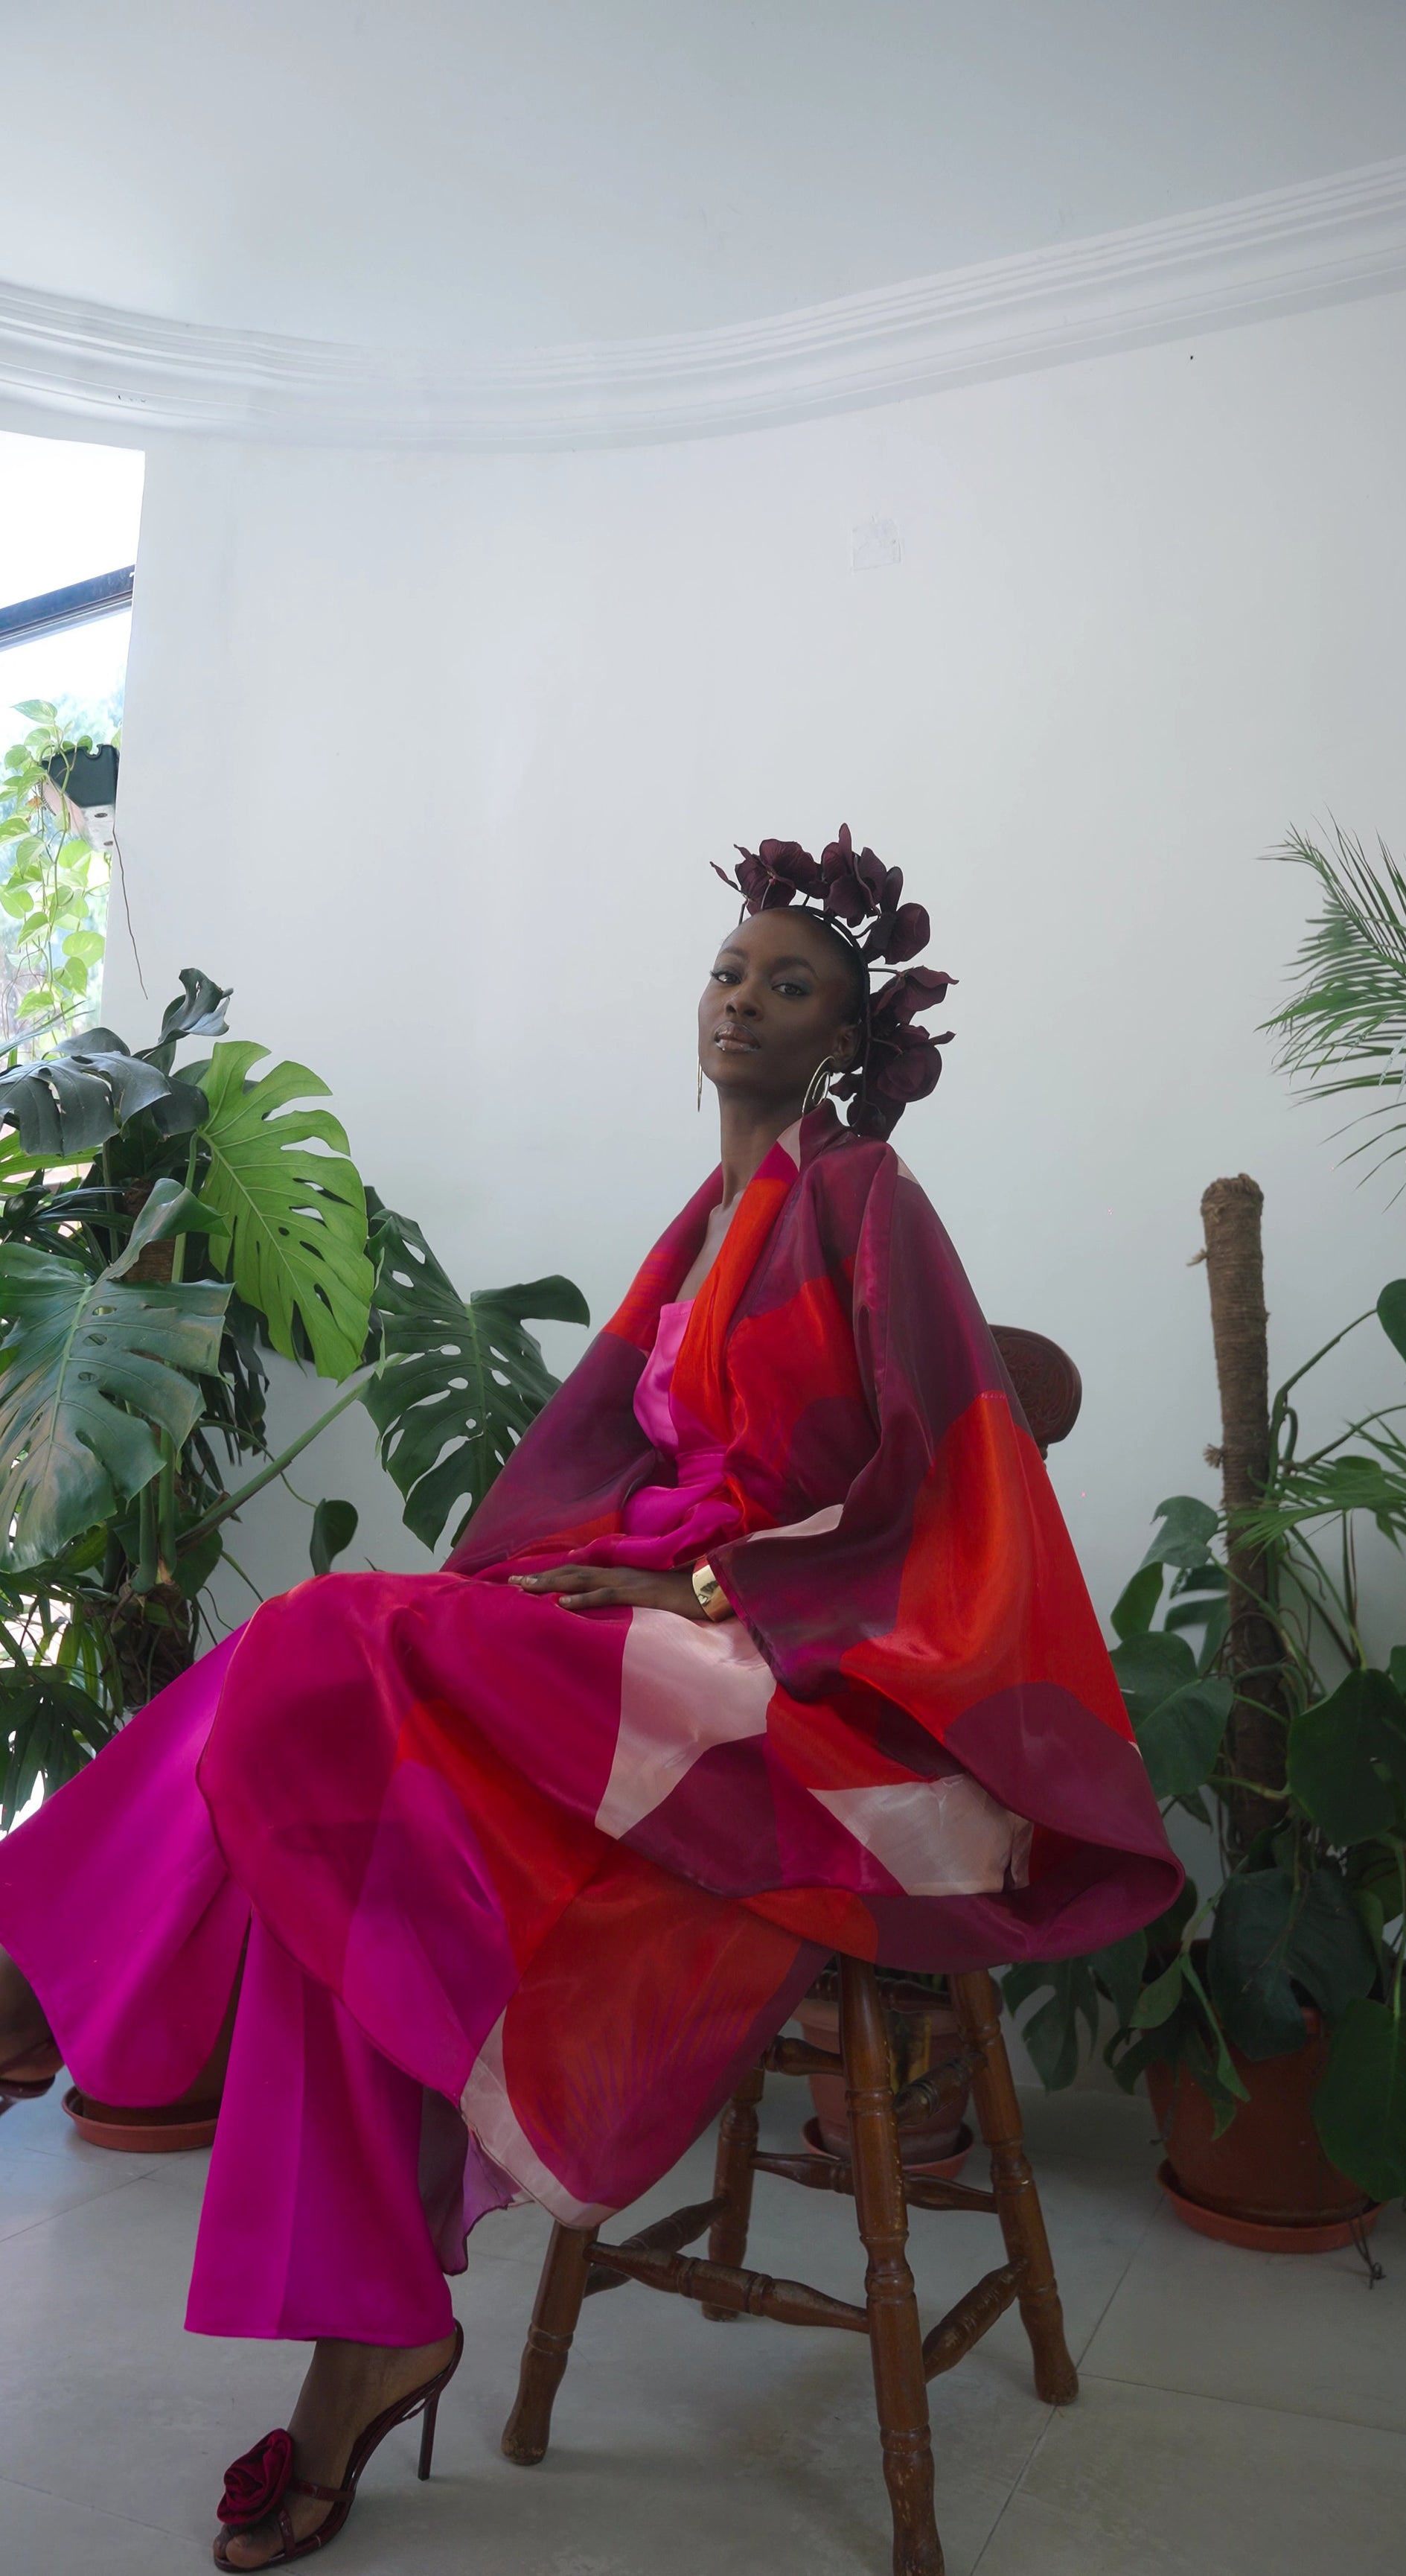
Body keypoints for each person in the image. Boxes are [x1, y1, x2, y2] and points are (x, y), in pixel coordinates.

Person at [0, 825, 1179, 2567]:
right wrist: (610, 1575)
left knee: (317, 1645)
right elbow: (612, 1469)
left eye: (792, 984)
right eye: (729, 969)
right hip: (672, 1655)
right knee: (347, 1838)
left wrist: (694, 1586)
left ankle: (32, 1979)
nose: (744, 1000)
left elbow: (928, 1486)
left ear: (846, 1036)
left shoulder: (868, 1198)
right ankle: (361, 2334)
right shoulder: (702, 1226)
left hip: (820, 1696)